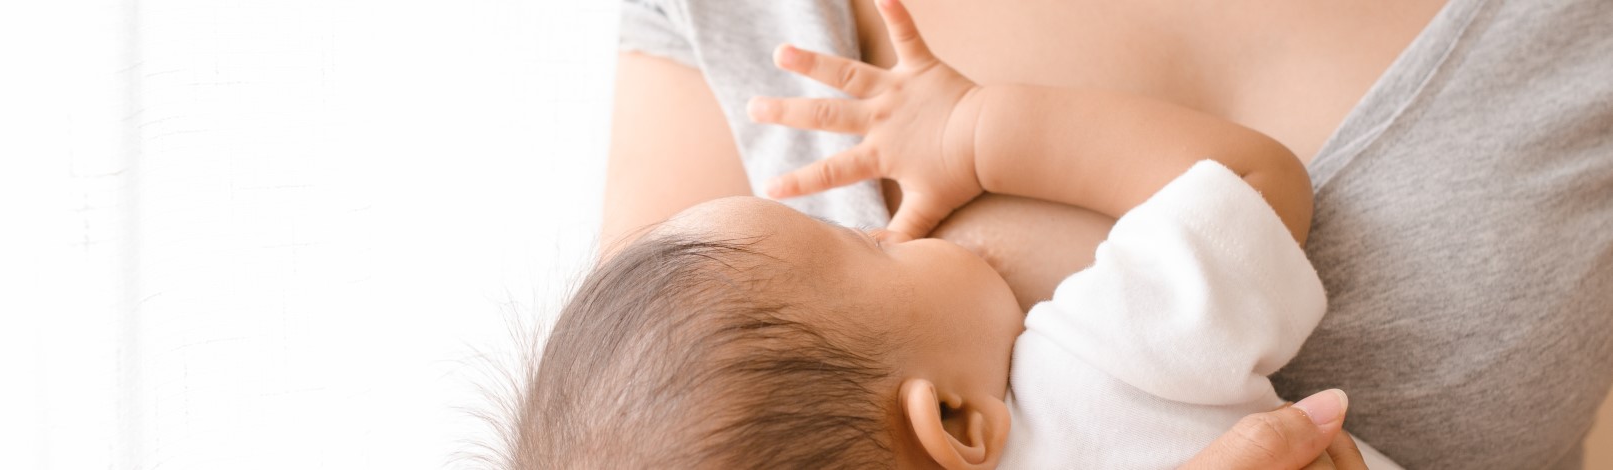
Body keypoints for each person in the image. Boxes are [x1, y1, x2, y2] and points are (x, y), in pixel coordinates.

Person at [603, 0, 1613, 467]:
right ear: (957, 421)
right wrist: (977, 132)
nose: (902, 234)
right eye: (874, 247)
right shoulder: (1090, 358)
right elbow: (1252, 188)